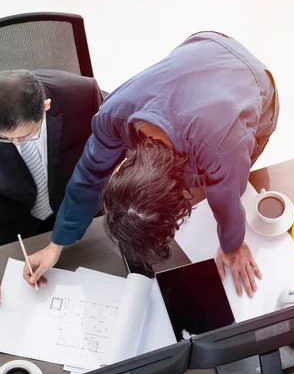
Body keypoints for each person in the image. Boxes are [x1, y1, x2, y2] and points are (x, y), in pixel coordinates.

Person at [26, 31, 279, 298]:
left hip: (251, 78)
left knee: (224, 179)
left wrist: (232, 245)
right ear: (121, 167)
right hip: (200, 53)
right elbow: (90, 175)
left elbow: (228, 195)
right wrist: (57, 243)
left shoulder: (222, 148)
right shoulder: (112, 117)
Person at [0, 69, 103, 304]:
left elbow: (101, 164)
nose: (16, 143)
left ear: (45, 107)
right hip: (6, 214)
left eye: (27, 135)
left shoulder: (82, 95)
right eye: (5, 138)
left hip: (73, 203)